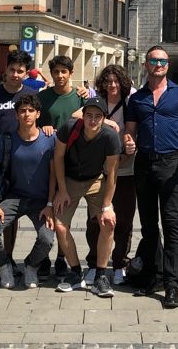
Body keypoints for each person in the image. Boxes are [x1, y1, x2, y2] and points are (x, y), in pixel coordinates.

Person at [125, 46, 178, 309]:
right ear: (146, 65)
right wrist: (129, 142)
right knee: (148, 226)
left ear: (167, 65)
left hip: (170, 164)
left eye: (163, 61)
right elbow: (130, 132)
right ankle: (154, 276)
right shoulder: (137, 99)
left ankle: (171, 282)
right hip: (144, 163)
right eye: (154, 60)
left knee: (171, 224)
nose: (158, 64)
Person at [0, 94, 56, 290]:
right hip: (14, 197)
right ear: (16, 115)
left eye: (31, 110)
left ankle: (31, 266)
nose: (26, 114)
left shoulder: (49, 139)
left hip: (41, 201)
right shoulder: (7, 139)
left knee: (47, 239)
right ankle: (3, 265)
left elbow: (54, 174)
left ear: (38, 114)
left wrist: (49, 204)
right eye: (22, 111)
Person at [52, 97, 121, 298]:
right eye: (89, 116)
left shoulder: (110, 137)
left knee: (108, 223)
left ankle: (100, 275)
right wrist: (62, 190)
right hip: (70, 180)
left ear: (104, 119)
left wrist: (107, 205)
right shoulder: (69, 128)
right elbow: (58, 158)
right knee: (60, 224)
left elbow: (112, 174)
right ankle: (75, 272)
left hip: (95, 180)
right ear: (82, 117)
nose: (93, 121)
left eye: (98, 117)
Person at [0, 50, 39, 281]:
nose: (16, 74)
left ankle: (8, 256)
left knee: (12, 214)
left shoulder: (31, 94)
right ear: (5, 70)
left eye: (21, 71)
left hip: (18, 159)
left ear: (27, 74)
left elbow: (41, 121)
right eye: (12, 70)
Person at [37, 55, 85, 278]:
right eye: (56, 72)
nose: (59, 76)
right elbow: (32, 122)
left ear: (71, 74)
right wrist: (43, 127)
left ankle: (61, 257)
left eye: (63, 72)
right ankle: (44, 256)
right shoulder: (42, 97)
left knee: (62, 212)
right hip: (46, 158)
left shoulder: (80, 97)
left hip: (72, 161)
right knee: (46, 207)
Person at [91, 64, 135, 285]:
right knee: (95, 219)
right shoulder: (96, 101)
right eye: (108, 81)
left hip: (125, 168)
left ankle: (119, 263)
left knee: (124, 219)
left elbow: (134, 130)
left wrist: (130, 144)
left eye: (116, 81)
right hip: (98, 169)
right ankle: (93, 263)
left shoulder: (130, 102)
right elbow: (81, 117)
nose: (112, 85)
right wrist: (107, 121)